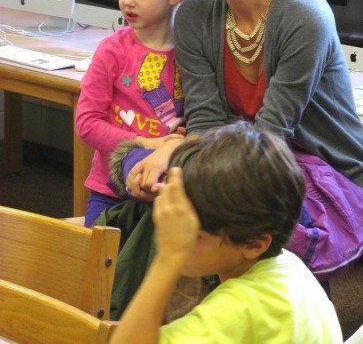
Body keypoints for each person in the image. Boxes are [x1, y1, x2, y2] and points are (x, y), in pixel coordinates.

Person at [121, 0, 363, 283]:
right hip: (241, 150)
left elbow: (271, 136)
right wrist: (170, 153)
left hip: (316, 168)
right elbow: (207, 120)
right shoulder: (197, 15)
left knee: (193, 191)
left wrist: (183, 156)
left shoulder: (305, 14)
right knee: (144, 168)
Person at [109, 122, 343, 344]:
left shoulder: (241, 307)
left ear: (254, 244)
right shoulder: (287, 266)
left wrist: (167, 258)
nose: (173, 234)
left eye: (192, 234)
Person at [75, 0, 190, 227]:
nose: (127, 1)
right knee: (99, 267)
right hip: (109, 191)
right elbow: (87, 123)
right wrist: (145, 141)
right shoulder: (112, 50)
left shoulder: (192, 52)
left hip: (166, 188)